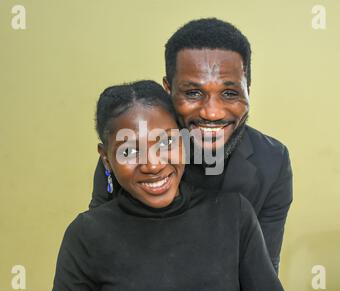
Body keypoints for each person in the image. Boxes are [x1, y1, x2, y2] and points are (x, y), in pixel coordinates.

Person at [49, 80, 286, 291]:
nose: (153, 165)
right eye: (130, 151)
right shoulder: (86, 235)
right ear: (107, 159)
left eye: (165, 143)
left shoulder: (234, 214)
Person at [89, 18, 293, 273]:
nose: (211, 112)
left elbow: (264, 271)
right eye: (193, 93)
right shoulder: (130, 153)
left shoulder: (272, 161)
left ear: (248, 90)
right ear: (168, 89)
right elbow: (97, 252)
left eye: (230, 93)